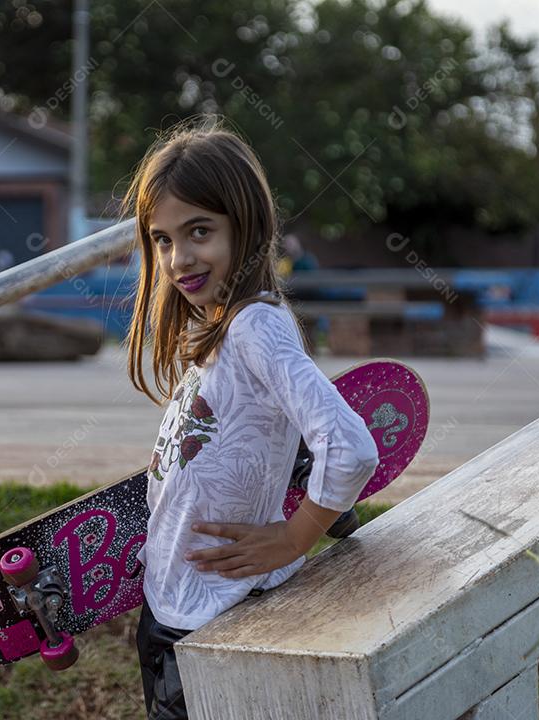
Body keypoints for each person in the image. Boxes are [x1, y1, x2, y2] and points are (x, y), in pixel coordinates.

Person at [121, 117, 380, 720]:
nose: (179, 257)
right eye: (161, 239)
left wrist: (295, 536)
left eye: (200, 231)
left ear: (249, 228)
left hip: (212, 620)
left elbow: (349, 444)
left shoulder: (253, 325)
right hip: (176, 609)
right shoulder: (219, 324)